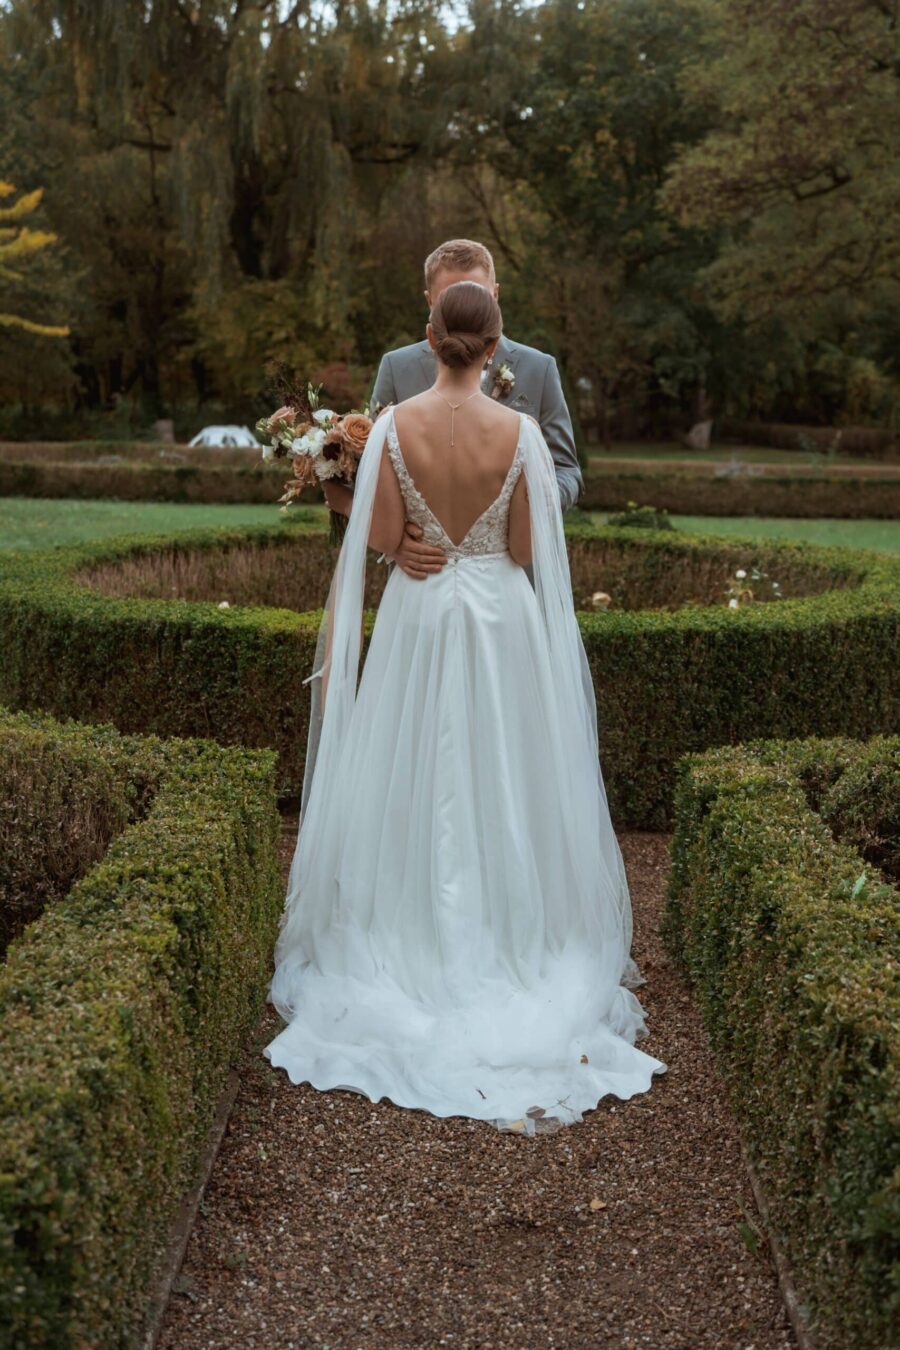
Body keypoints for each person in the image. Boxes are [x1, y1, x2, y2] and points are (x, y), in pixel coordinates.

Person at [263, 281, 666, 1134]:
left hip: (420, 611)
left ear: (428, 338)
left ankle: (402, 929)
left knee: (410, 769)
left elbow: (375, 535)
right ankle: (514, 930)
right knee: (505, 773)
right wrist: (478, 541)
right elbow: (525, 546)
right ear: (496, 348)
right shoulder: (518, 431)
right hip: (500, 622)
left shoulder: (396, 426)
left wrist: (417, 535)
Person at [323, 237, 583, 582]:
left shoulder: (539, 368)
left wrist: (530, 504)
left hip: (512, 573)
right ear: (430, 301)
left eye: (476, 294)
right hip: (423, 576)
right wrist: (395, 543)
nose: (466, 307)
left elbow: (567, 470)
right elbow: (368, 472)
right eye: (451, 298)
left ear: (495, 294)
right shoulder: (397, 368)